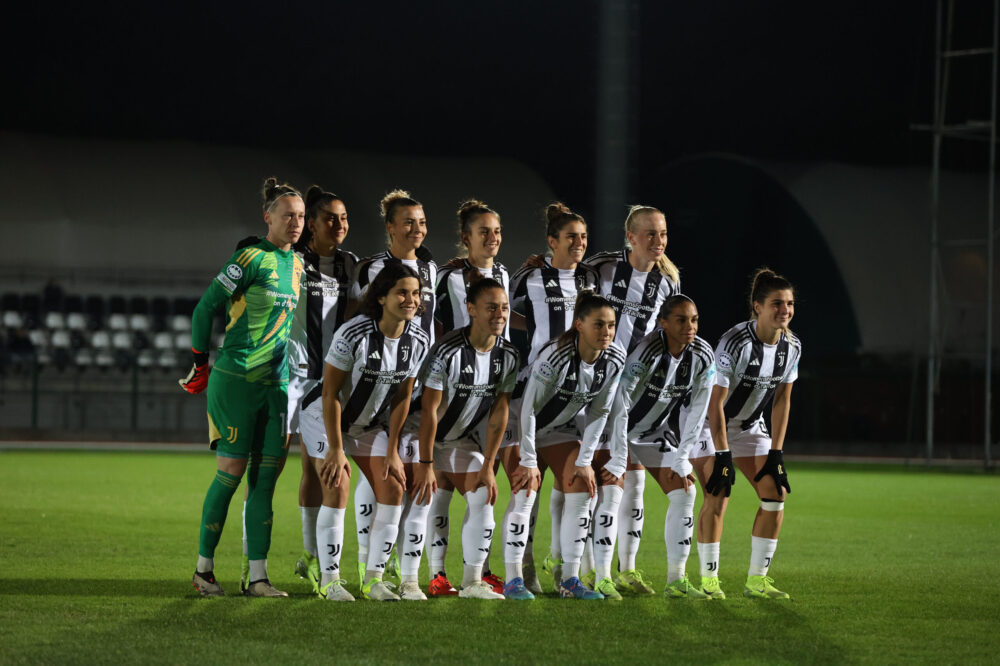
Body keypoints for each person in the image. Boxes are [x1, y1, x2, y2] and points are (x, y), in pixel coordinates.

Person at [184, 177, 304, 598]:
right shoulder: (250, 258)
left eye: (301, 216)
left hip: (276, 387)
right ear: (267, 217)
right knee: (231, 475)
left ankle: (258, 578)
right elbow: (205, 308)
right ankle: (203, 571)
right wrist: (200, 362)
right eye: (288, 215)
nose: (296, 222)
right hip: (236, 380)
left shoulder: (299, 264)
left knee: (265, 484)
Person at [316, 262, 430, 601]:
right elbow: (330, 392)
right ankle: (329, 580)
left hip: (370, 424)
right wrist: (336, 448)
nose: (411, 300)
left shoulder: (419, 339)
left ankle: (373, 579)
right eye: (402, 293)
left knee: (394, 488)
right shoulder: (354, 333)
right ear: (381, 297)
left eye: (415, 294)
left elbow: (403, 396)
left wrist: (393, 449)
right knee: (337, 485)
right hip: (327, 417)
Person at [585, 204, 680, 596]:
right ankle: (589, 568)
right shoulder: (603, 269)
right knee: (601, 481)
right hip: (596, 389)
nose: (658, 241)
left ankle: (629, 569)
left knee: (635, 487)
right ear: (631, 237)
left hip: (638, 397)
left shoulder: (669, 283)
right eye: (651, 234)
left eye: (663, 234)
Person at [507, 291, 626, 600]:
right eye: (598, 325)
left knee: (581, 487)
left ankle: (570, 580)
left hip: (558, 427)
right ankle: (514, 578)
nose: (606, 332)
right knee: (526, 491)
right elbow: (528, 409)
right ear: (579, 325)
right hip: (518, 423)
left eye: (611, 325)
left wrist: (585, 461)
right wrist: (529, 460)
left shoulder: (614, 357)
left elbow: (600, 410)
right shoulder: (555, 356)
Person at [691, 268, 801, 600]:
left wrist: (776, 453)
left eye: (790, 304)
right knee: (718, 493)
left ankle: (757, 580)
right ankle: (710, 580)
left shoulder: (792, 346)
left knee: (775, 493)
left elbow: (783, 399)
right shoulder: (734, 342)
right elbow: (715, 403)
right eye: (777, 304)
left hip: (750, 427)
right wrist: (723, 456)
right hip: (709, 426)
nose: (785, 311)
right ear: (757, 307)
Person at [508, 202, 600, 594]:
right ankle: (522, 569)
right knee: (527, 487)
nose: (578, 243)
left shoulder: (592, 280)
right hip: (529, 392)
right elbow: (504, 314)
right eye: (570, 237)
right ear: (552, 241)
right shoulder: (528, 277)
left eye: (583, 237)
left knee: (577, 481)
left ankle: (567, 574)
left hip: (570, 400)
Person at [411, 278, 520, 600]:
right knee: (422, 501)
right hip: (421, 438)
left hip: (461, 440)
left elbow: (500, 412)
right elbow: (428, 410)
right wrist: (426, 461)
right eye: (491, 307)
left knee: (483, 492)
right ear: (471, 309)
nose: (500, 314)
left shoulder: (509, 355)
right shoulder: (447, 351)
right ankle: (428, 575)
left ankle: (473, 581)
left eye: (504, 308)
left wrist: (489, 464)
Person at [351, 190, 438, 588]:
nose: (416, 229)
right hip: (382, 382)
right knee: (378, 476)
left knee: (404, 477)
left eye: (421, 222)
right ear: (389, 227)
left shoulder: (433, 267)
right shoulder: (374, 269)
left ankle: (401, 571)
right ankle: (370, 565)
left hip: (421, 380)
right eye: (408, 222)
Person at [426, 200, 511, 596]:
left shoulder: (508, 273)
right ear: (466, 238)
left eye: (496, 231)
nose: (492, 238)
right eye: (484, 232)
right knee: (439, 484)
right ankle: (433, 572)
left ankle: (478, 569)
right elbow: (429, 319)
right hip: (451, 383)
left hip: (488, 386)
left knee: (481, 481)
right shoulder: (446, 275)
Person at [611, 294, 714, 599]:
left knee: (685, 491)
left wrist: (683, 457)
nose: (689, 327)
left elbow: (698, 409)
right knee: (626, 487)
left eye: (694, 320)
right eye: (681, 320)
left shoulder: (702, 355)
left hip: (654, 431)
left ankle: (676, 580)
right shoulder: (647, 351)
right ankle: (616, 572)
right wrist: (617, 449)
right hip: (619, 428)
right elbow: (621, 400)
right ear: (664, 323)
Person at [286, 186, 360, 601]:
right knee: (294, 470)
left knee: (322, 469)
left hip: (328, 382)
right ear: (310, 224)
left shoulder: (351, 265)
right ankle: (308, 558)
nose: (340, 224)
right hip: (292, 376)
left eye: (344, 217)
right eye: (330, 218)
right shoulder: (293, 260)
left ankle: (314, 559)